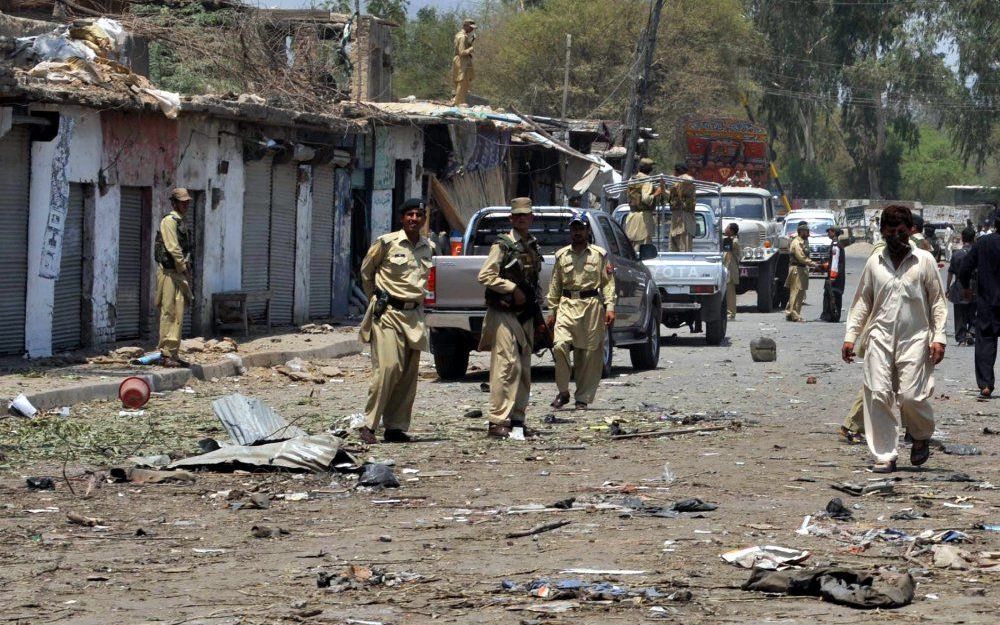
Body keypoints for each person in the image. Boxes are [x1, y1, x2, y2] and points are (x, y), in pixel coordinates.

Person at [843, 205, 947, 473]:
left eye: (901, 231)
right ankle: (885, 455)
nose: (896, 237)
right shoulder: (874, 262)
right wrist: (851, 336)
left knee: (911, 397)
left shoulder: (924, 260)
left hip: (915, 338)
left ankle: (921, 435)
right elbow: (862, 302)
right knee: (878, 393)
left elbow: (937, 302)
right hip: (879, 336)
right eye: (890, 232)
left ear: (910, 230)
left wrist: (939, 337)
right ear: (882, 232)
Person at [357, 199, 434, 444]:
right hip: (388, 313)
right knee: (388, 368)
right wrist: (375, 299)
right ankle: (369, 425)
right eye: (410, 214)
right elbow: (366, 272)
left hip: (414, 317)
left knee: (407, 374)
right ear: (402, 218)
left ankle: (395, 427)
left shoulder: (427, 246)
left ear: (423, 219)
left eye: (419, 214)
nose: (414, 218)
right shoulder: (386, 243)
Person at [478, 197, 546, 439]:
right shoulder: (503, 245)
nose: (521, 219)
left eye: (525, 215)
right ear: (511, 218)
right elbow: (485, 276)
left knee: (524, 369)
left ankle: (517, 419)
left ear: (531, 217)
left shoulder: (532, 245)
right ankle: (497, 421)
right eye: (517, 215)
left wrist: (539, 316)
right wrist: (511, 289)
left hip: (526, 313)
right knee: (506, 367)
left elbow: (534, 283)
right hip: (505, 313)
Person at [546, 214, 616, 410]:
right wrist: (551, 310)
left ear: (587, 231)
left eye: (581, 228)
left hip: (591, 306)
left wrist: (610, 306)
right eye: (574, 228)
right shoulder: (561, 256)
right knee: (560, 346)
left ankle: (582, 398)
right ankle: (563, 391)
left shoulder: (599, 255)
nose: (577, 232)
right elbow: (555, 285)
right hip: (567, 304)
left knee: (588, 355)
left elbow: (608, 283)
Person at [959, 211, 1000, 399]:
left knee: (985, 341)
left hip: (988, 302)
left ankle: (985, 384)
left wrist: (966, 287)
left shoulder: (983, 243)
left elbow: (965, 267)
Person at [154, 188, 193, 368]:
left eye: (187, 202)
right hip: (170, 273)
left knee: (178, 313)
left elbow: (185, 249)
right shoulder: (169, 221)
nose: (185, 205)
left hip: (178, 272)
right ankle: (165, 353)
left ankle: (173, 352)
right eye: (182, 202)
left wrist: (186, 266)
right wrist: (183, 267)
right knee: (168, 312)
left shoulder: (181, 222)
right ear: (174, 203)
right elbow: (172, 247)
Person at [624, 158, 663, 251]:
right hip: (643, 219)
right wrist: (656, 193)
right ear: (648, 168)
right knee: (643, 249)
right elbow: (646, 198)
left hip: (632, 216)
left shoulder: (632, 179)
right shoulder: (647, 180)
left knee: (632, 248)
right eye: (651, 167)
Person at [947, 228, 977, 346]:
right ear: (974, 238)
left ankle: (961, 338)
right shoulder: (977, 253)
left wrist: (947, 287)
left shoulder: (956, 254)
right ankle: (972, 331)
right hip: (975, 286)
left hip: (959, 286)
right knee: (974, 311)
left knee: (959, 314)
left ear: (963, 239)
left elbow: (950, 272)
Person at [785, 221, 816, 322]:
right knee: (796, 292)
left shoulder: (804, 241)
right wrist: (813, 264)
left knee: (800, 292)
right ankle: (795, 315)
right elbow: (801, 257)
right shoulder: (796, 242)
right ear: (801, 231)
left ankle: (790, 313)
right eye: (806, 231)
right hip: (797, 269)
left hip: (802, 269)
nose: (808, 234)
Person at [820, 227, 846, 322]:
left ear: (834, 232)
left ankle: (832, 316)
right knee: (830, 294)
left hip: (835, 276)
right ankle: (830, 315)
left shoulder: (835, 245)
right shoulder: (836, 244)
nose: (828, 234)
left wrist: (832, 276)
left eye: (829, 232)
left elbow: (835, 262)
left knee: (833, 295)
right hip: (836, 275)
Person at [668, 163, 696, 252]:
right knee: (673, 249)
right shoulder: (676, 183)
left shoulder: (686, 179)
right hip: (676, 218)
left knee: (684, 249)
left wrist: (678, 178)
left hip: (685, 218)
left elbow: (689, 179)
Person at [451, 19, 476, 105]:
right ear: (465, 26)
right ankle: (458, 103)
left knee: (463, 81)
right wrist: (471, 49)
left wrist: (470, 42)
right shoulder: (462, 37)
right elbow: (461, 52)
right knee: (462, 82)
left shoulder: (459, 35)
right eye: (470, 28)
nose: (472, 30)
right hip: (461, 61)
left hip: (459, 60)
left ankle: (458, 101)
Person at [722, 223, 741, 320]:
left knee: (730, 294)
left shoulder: (734, 242)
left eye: (727, 228)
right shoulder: (729, 240)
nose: (725, 229)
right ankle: (727, 312)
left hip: (731, 270)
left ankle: (731, 313)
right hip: (727, 270)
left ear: (731, 231)